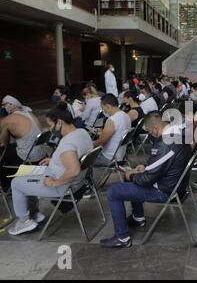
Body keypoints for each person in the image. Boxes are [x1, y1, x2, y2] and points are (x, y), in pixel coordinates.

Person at [99, 112, 192, 248]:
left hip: (165, 190)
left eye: (149, 131)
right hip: (175, 183)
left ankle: (122, 237)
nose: (150, 134)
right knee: (133, 175)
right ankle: (138, 218)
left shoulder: (166, 143)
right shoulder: (179, 135)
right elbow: (162, 163)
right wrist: (145, 168)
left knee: (113, 192)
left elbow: (147, 180)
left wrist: (131, 175)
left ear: (155, 127)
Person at [7, 103, 93, 236]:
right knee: (28, 174)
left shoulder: (67, 143)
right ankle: (34, 213)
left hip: (62, 186)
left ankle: (24, 221)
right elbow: (74, 157)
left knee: (16, 183)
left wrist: (54, 183)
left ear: (59, 122)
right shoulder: (82, 132)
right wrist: (53, 161)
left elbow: (74, 170)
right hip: (78, 183)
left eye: (51, 125)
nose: (50, 129)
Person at [0, 96, 48, 191]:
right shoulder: (29, 113)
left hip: (28, 156)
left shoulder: (8, 119)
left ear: (11, 105)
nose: (3, 107)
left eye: (4, 104)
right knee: (12, 148)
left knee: (2, 154)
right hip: (41, 153)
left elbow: (3, 143)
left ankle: (6, 186)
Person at [93, 94, 131, 166]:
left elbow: (101, 142)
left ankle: (88, 177)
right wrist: (103, 132)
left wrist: (89, 144)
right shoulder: (126, 115)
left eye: (103, 108)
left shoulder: (112, 120)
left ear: (107, 106)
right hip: (121, 155)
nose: (104, 111)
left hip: (109, 157)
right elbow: (118, 133)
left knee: (83, 160)